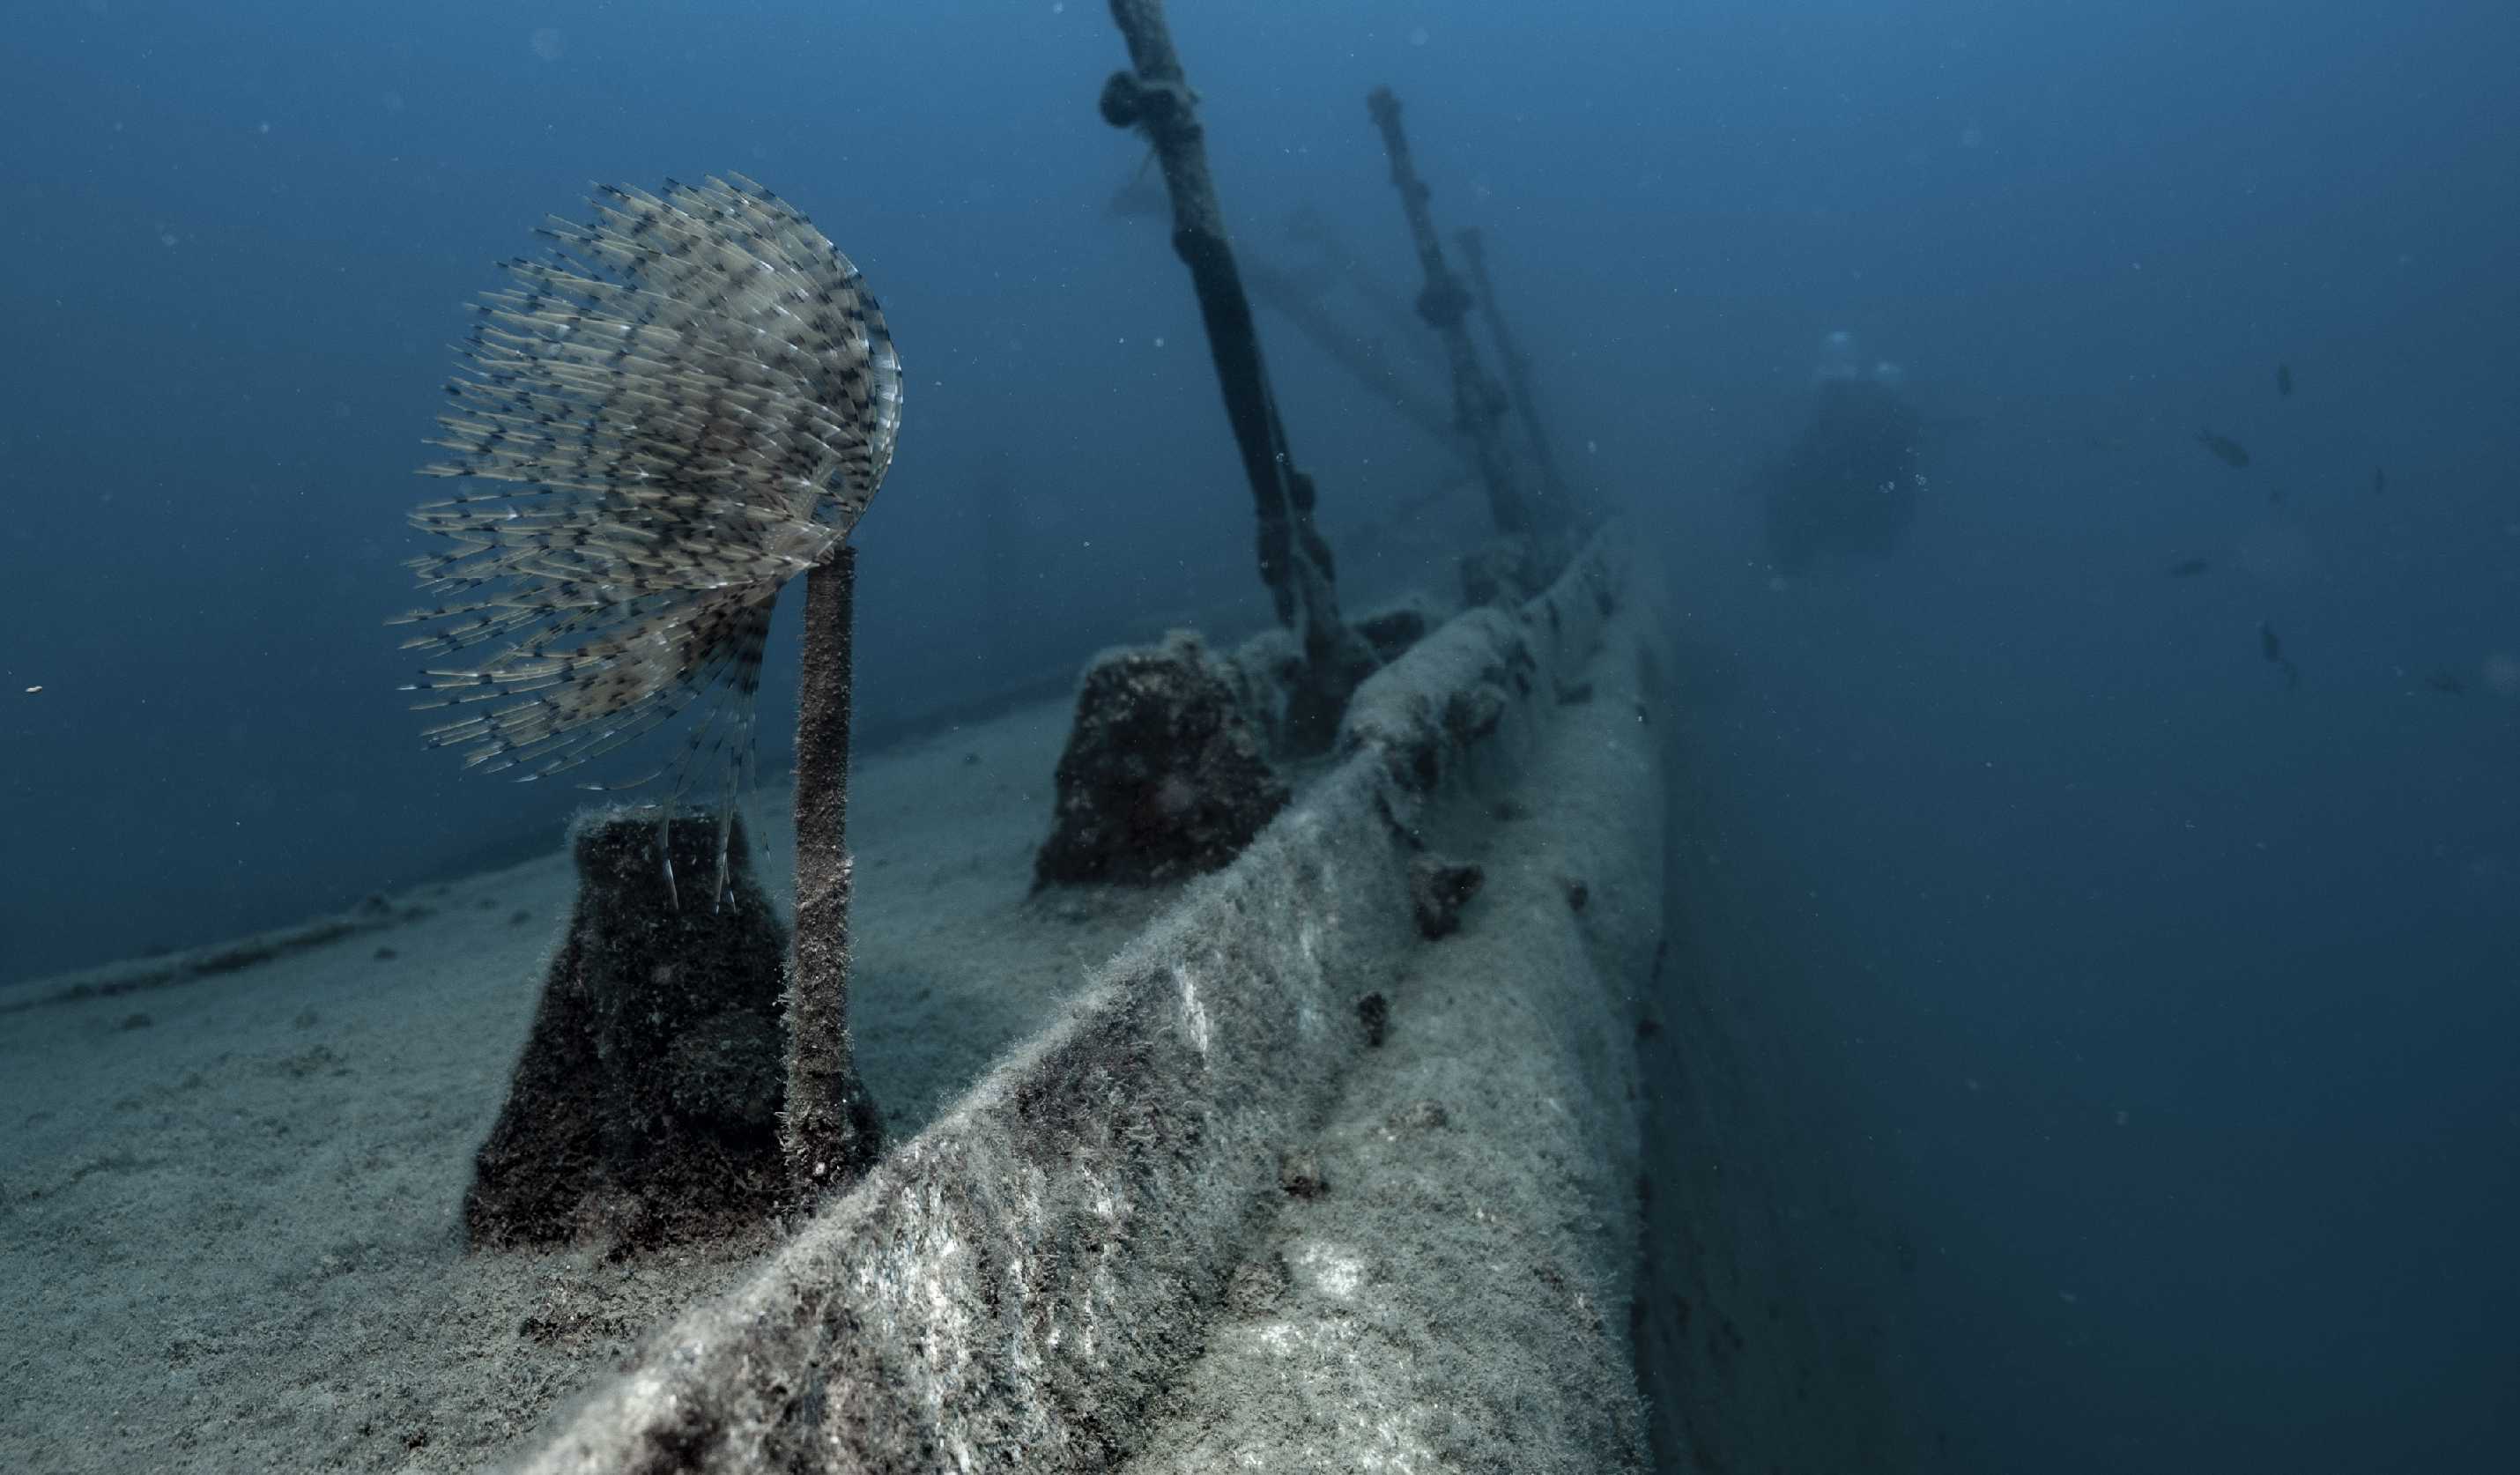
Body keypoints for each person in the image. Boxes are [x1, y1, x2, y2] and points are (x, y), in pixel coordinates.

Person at [1759, 331, 1923, 574]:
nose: (1836, 371)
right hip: (1853, 525)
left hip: (1853, 522)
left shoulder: (1863, 414)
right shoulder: (1856, 413)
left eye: (1841, 362)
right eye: (1833, 363)